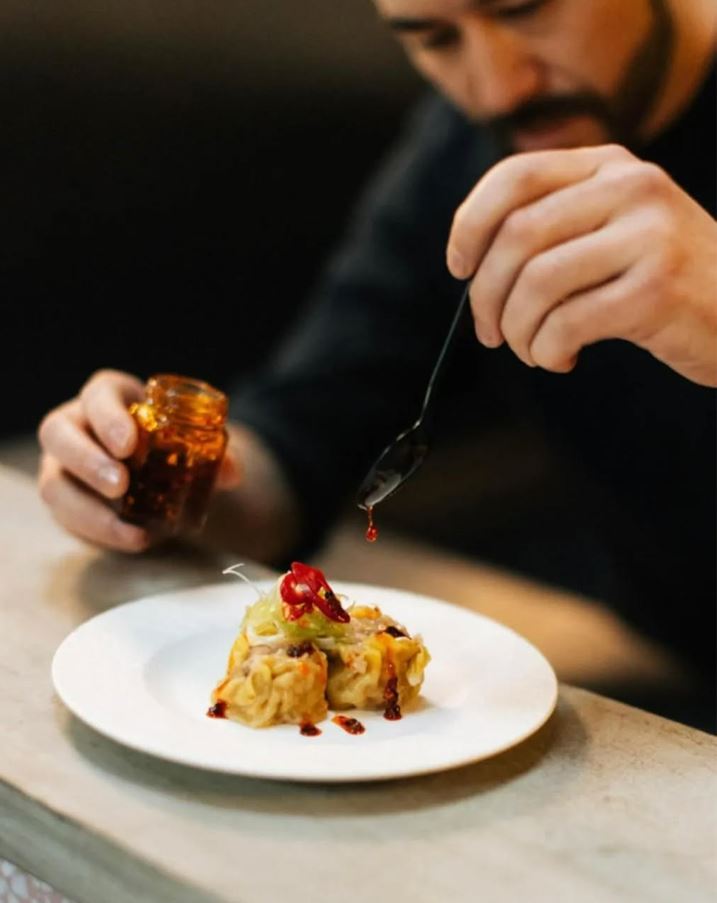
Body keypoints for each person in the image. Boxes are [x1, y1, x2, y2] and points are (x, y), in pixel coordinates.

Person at [37, 0, 716, 721]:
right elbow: (297, 446)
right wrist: (148, 476)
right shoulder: (464, 151)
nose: (495, 87)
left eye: (524, 10)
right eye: (433, 38)